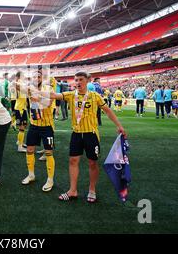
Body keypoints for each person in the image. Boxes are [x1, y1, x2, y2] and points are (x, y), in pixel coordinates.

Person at [37, 71, 126, 203]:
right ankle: (73, 190)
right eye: (76, 80)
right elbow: (54, 95)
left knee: (92, 162)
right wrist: (36, 91)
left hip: (91, 134)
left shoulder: (95, 96)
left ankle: (92, 190)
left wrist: (119, 126)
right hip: (76, 134)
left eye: (80, 80)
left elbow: (107, 110)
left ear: (87, 81)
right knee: (73, 161)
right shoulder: (71, 95)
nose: (77, 82)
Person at [22, 68, 56, 192]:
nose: (36, 79)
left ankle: (50, 179)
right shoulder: (30, 88)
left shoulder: (49, 89)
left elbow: (48, 103)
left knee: (48, 153)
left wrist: (38, 98)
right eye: (34, 77)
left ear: (42, 78)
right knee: (30, 150)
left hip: (47, 126)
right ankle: (31, 175)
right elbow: (16, 87)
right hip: (34, 125)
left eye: (38, 77)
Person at [13, 71, 28, 152]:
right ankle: (20, 147)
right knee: (22, 127)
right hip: (20, 108)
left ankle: (20, 142)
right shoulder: (19, 83)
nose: (24, 76)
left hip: (21, 108)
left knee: (22, 127)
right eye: (23, 75)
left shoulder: (20, 83)